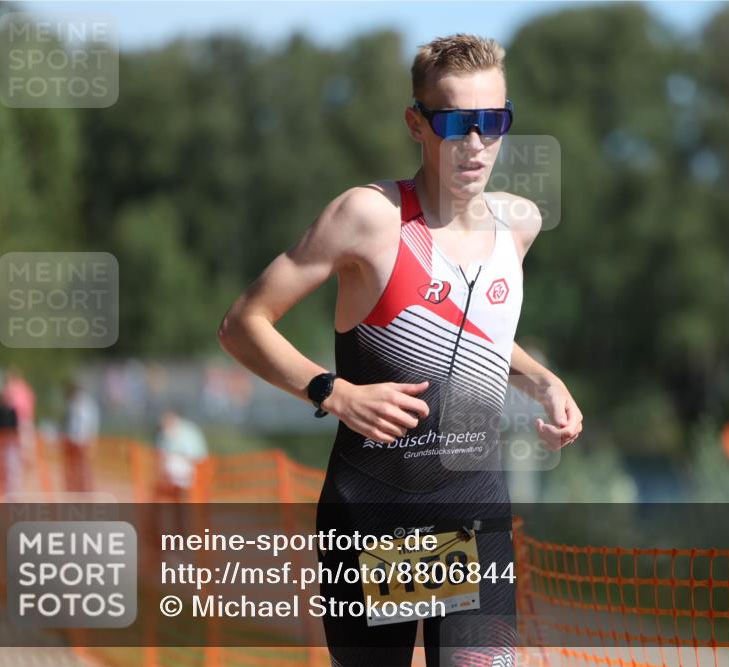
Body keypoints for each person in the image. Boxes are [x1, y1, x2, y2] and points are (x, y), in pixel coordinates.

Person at [218, 34, 582, 666]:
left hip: (474, 513)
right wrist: (333, 391)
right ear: (416, 123)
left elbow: (475, 331)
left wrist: (544, 380)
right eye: (453, 123)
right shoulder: (369, 217)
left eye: (492, 122)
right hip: (376, 513)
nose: (475, 144)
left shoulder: (517, 224)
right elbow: (243, 324)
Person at [153, 408, 208, 502]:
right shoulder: (168, 433)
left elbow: (196, 456)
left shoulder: (186, 431)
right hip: (183, 474)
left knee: (172, 462)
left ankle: (177, 490)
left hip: (193, 471)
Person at [61, 380, 100, 492]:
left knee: (83, 466)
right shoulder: (72, 404)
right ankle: (73, 486)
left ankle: (84, 488)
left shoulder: (87, 404)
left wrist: (90, 439)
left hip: (83, 440)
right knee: (72, 465)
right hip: (72, 439)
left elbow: (90, 424)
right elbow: (68, 422)